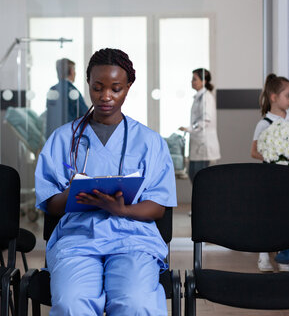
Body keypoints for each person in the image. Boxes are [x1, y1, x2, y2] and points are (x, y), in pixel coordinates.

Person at [35, 48, 177, 315]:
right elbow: (50, 204)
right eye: (98, 87)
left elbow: (158, 206)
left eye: (116, 88)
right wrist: (76, 192)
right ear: (88, 83)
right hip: (77, 239)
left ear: (128, 87)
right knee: (71, 303)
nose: (106, 96)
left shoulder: (149, 141)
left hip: (133, 239)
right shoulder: (63, 139)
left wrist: (122, 210)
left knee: (135, 303)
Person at [251, 74, 289, 272]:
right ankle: (264, 254)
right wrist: (274, 156)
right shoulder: (264, 123)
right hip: (270, 177)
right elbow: (253, 152)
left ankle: (285, 256)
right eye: (288, 95)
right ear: (274, 97)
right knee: (269, 215)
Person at [179, 68, 221, 184]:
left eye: (194, 79)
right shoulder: (199, 96)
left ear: (204, 81)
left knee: (200, 178)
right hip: (198, 144)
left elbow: (205, 120)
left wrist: (190, 129)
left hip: (203, 145)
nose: (192, 81)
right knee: (193, 175)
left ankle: (206, 202)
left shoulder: (206, 97)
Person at [45, 58, 89, 138]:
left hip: (53, 136)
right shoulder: (72, 91)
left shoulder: (52, 90)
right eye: (74, 70)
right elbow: (85, 114)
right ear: (72, 71)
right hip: (70, 137)